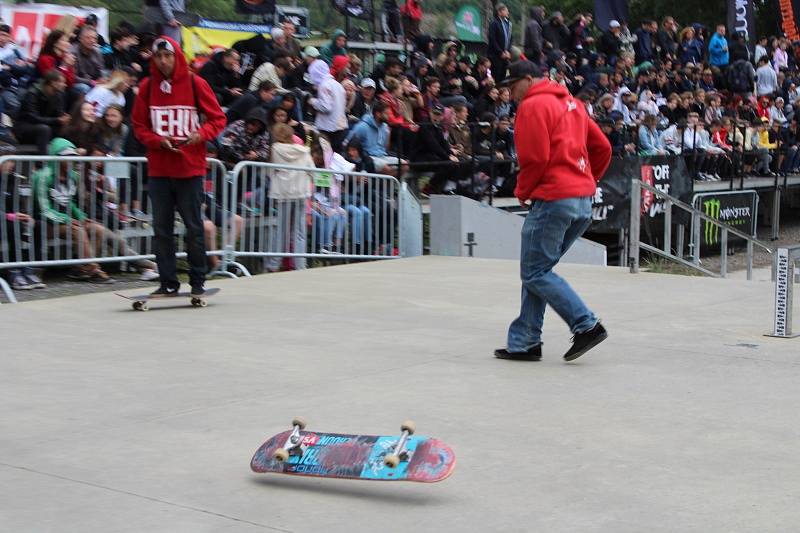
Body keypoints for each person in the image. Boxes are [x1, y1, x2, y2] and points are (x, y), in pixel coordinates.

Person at [494, 60, 611, 362]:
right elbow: (603, 148)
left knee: (534, 271)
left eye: (512, 85)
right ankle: (525, 342)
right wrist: (587, 179)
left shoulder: (532, 107)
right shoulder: (572, 102)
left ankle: (586, 325)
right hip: (582, 200)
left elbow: (535, 158)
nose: (510, 92)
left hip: (554, 197)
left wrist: (522, 191)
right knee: (538, 270)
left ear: (529, 79)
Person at [131, 36, 226, 297]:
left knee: (194, 228)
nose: (163, 61)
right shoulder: (148, 86)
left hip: (190, 169)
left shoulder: (196, 83)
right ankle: (168, 282)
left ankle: (197, 281)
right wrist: (158, 141)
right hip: (160, 169)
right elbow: (139, 127)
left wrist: (201, 134)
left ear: (177, 56)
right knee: (162, 230)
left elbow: (218, 118)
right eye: (158, 57)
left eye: (168, 56)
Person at [14, 69, 69, 154]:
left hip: (44, 125)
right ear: (53, 83)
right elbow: (33, 118)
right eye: (62, 82)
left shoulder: (59, 95)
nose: (65, 85)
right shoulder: (32, 93)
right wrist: (57, 120)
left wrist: (64, 119)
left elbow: (59, 114)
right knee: (44, 129)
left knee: (66, 128)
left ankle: (65, 160)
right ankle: (42, 163)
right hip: (25, 127)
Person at [307, 59, 348, 152]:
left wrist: (313, 101)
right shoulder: (337, 84)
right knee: (336, 155)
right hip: (340, 125)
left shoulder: (324, 85)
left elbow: (326, 107)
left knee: (326, 154)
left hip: (328, 128)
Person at [487, 4, 513, 83]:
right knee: (496, 76)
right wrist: (500, 52)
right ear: (499, 12)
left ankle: (501, 93)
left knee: (502, 76)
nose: (507, 12)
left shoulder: (508, 23)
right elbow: (492, 39)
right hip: (495, 55)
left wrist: (508, 51)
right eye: (505, 10)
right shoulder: (494, 23)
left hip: (505, 55)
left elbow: (511, 38)